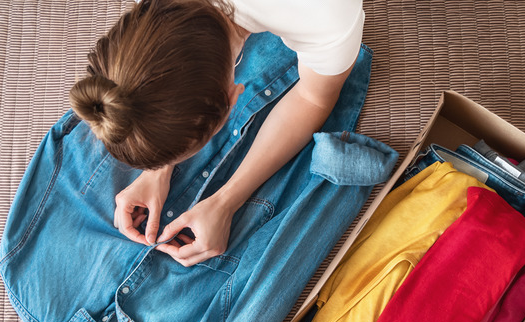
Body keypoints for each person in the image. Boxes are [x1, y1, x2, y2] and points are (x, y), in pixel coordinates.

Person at [69, 0, 364, 267]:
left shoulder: (325, 15)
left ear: (233, 98)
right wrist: (157, 170)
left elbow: (313, 98)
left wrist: (227, 201)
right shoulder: (147, 20)